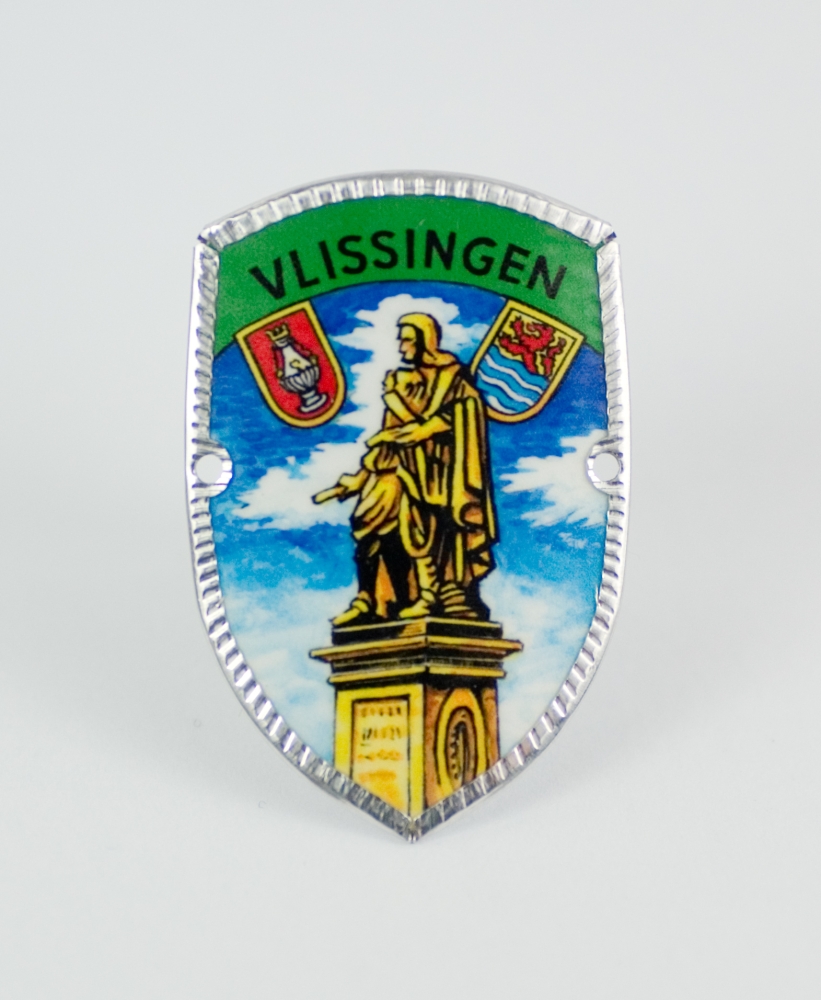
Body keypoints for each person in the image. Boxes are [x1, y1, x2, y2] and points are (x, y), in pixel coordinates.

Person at [314, 313, 498, 625]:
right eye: (401, 340)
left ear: (426, 341)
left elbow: (448, 422)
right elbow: (391, 433)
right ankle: (369, 599)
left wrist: (401, 413)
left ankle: (430, 596)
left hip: (436, 474)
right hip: (395, 466)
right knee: (365, 521)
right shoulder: (401, 380)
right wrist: (360, 477)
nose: (402, 347)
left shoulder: (452, 379)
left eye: (408, 340)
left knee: (416, 528)